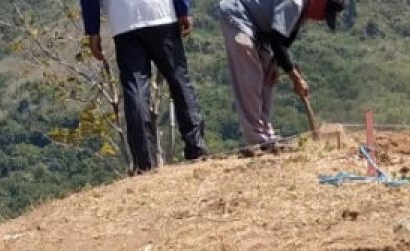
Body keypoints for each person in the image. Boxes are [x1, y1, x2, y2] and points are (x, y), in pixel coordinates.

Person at [81, 0, 209, 172]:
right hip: (160, 13)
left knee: (135, 89)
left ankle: (144, 161)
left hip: (124, 21)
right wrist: (183, 9)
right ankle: (196, 148)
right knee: (179, 80)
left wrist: (93, 30)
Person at [218, 0, 347, 149]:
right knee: (250, 77)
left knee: (267, 78)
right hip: (238, 15)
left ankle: (267, 136)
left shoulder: (302, 11)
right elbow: (277, 43)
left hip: (260, 28)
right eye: (325, 13)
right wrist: (296, 78)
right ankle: (257, 140)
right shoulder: (294, 3)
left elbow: (287, 35)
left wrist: (275, 63)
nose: (321, 19)